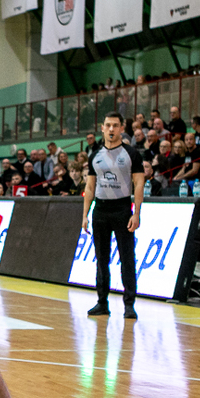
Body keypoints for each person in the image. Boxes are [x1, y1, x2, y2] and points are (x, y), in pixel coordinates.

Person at [80, 111, 143, 320]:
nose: (111, 129)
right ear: (102, 128)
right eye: (108, 125)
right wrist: (85, 215)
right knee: (101, 259)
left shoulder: (131, 154)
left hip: (122, 209)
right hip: (100, 210)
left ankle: (129, 304)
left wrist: (136, 213)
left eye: (115, 125)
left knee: (127, 258)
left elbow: (139, 184)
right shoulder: (95, 155)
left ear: (122, 128)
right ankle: (102, 302)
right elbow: (90, 187)